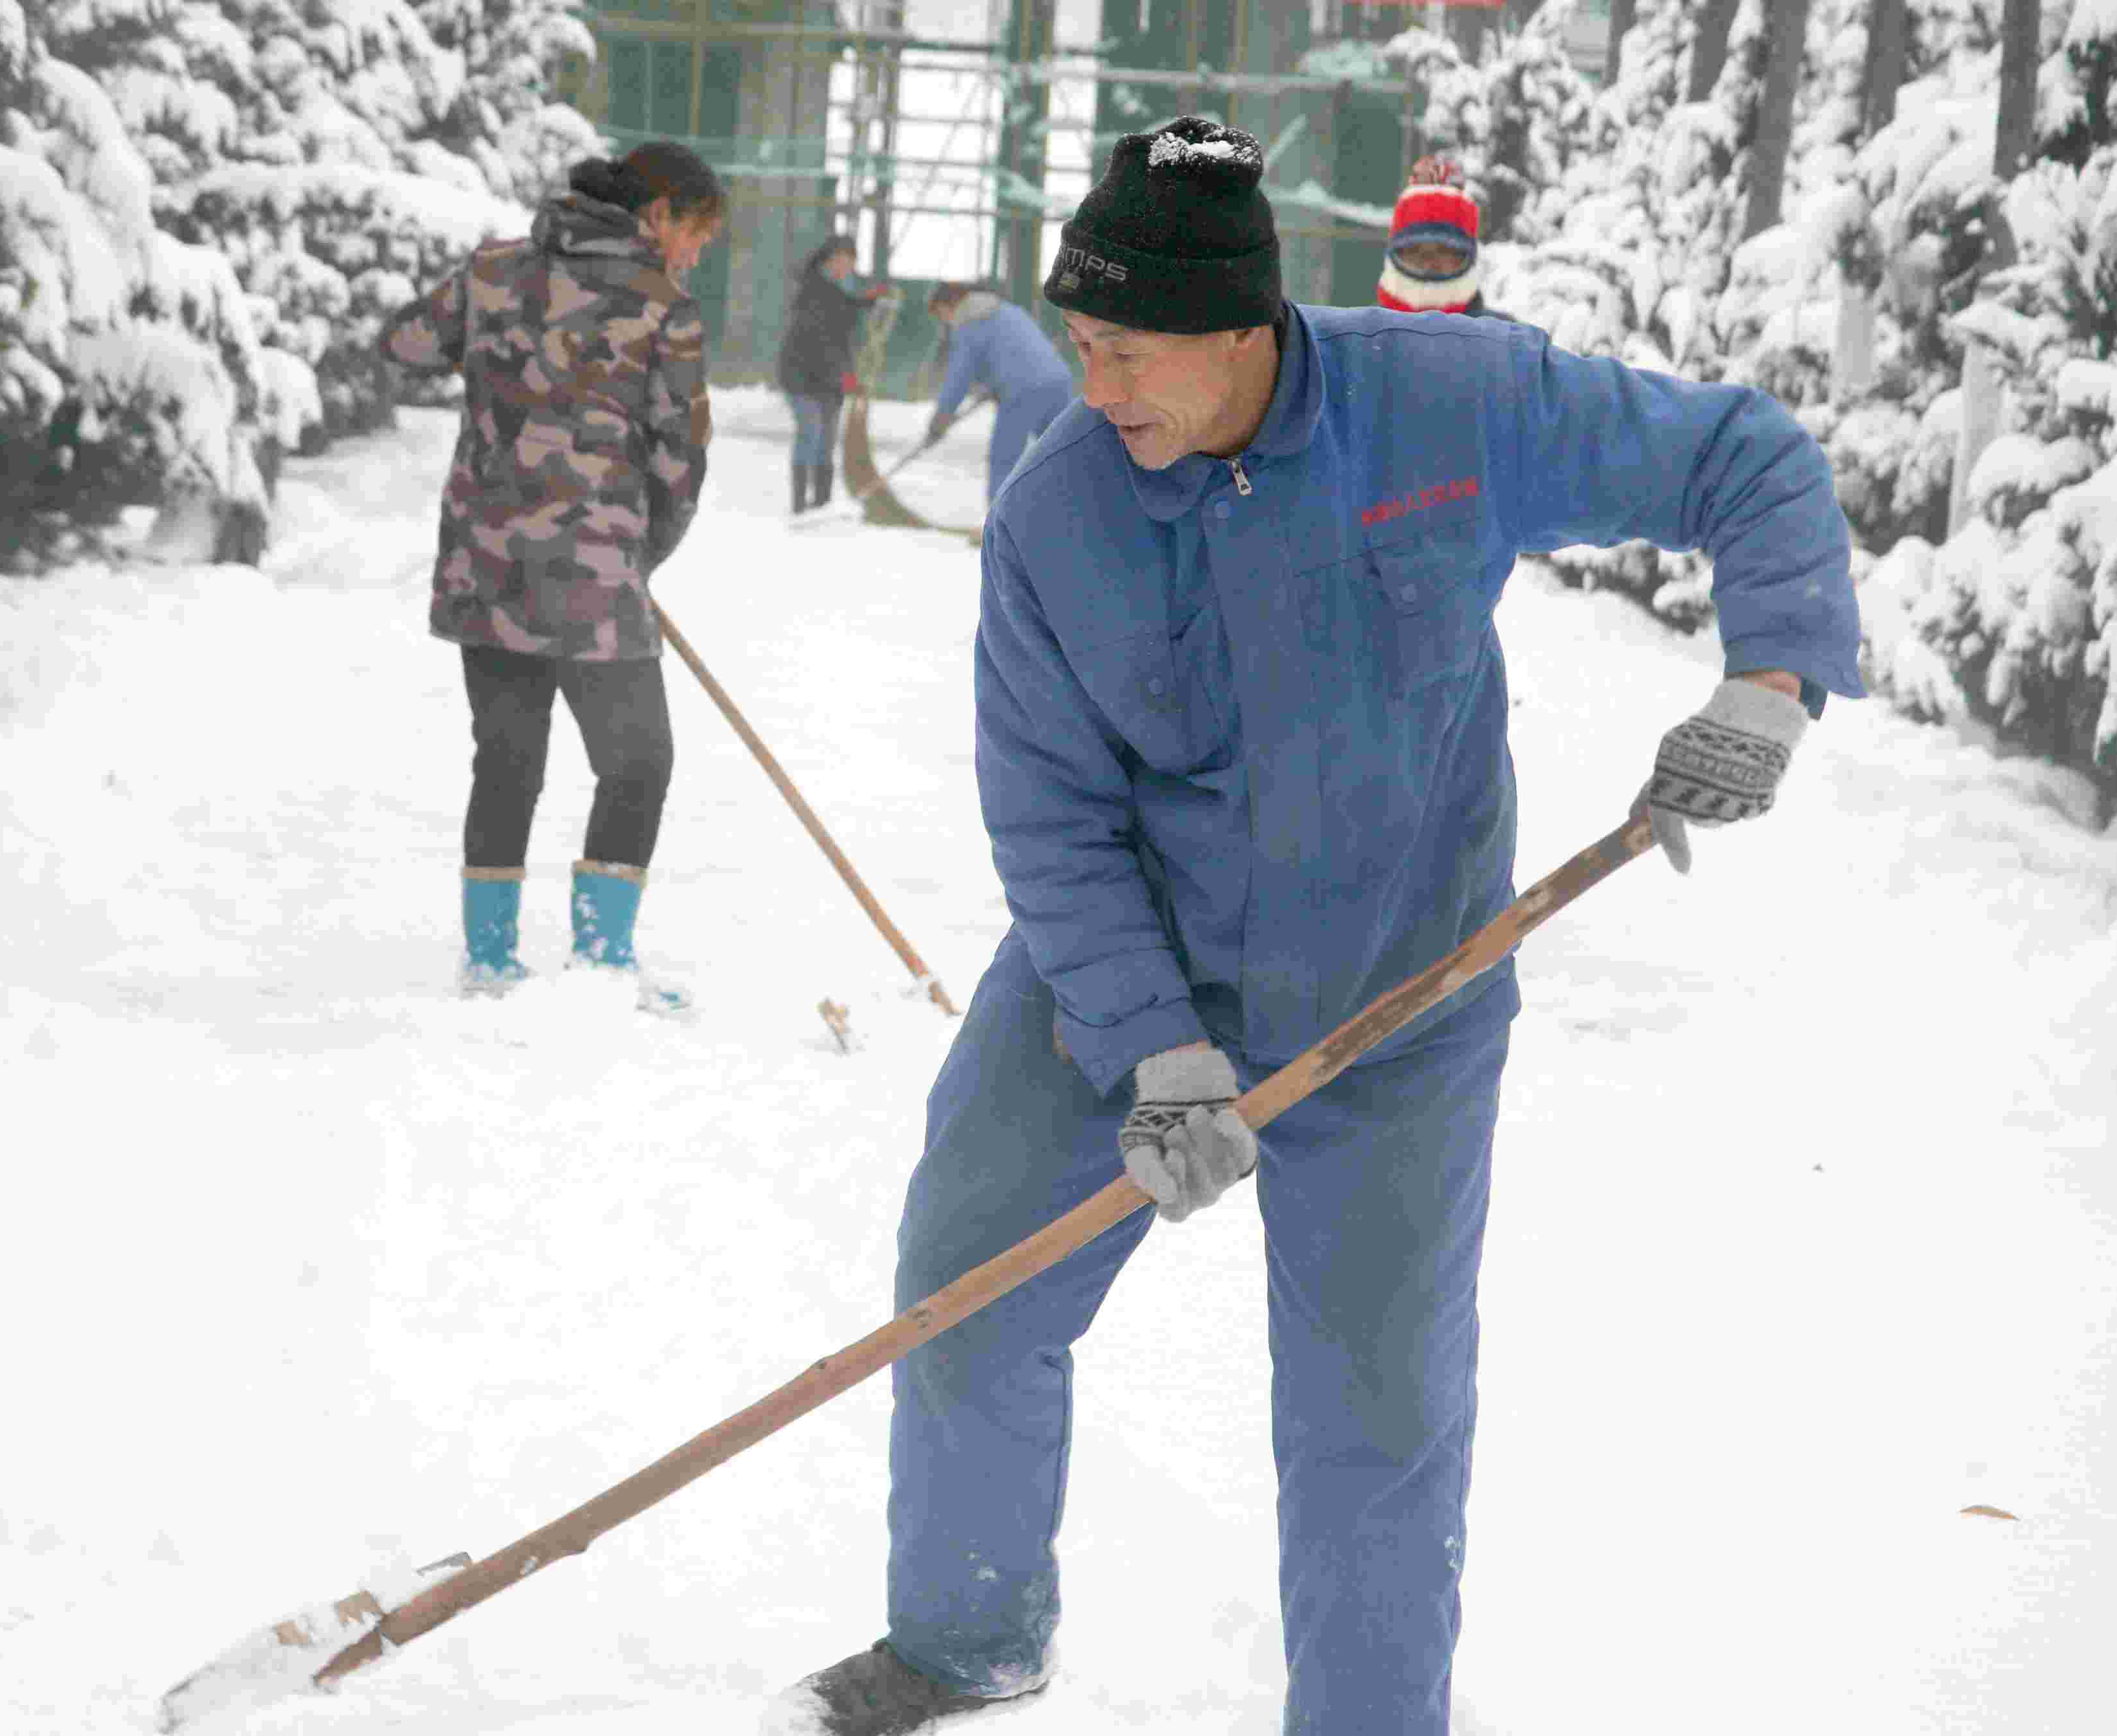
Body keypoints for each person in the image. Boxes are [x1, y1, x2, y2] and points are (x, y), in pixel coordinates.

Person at [769, 116, 1863, 1735]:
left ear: (1246, 330)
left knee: (1373, 1413)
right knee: (964, 1282)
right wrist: (1151, 1051)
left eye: (1131, 352)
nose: (1100, 387)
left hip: (1395, 997)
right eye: (1078, 346)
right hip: (1116, 976)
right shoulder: (1058, 510)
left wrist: (1767, 681)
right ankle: (961, 1636)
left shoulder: (1447, 403)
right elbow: (1051, 821)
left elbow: (1739, 456)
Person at [378, 143, 725, 998]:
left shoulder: (493, 272)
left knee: (507, 756)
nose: (693, 256)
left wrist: (497, 353)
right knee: (638, 761)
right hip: (596, 578)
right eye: (696, 235)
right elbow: (681, 463)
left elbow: (404, 346)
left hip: (484, 563)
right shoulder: (661, 309)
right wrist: (639, 556)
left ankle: (490, 959)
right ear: (659, 214)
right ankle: (604, 956)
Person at [922, 282, 1075, 506]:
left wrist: (941, 418)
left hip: (1024, 389)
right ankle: (1070, 516)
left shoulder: (969, 322)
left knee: (1004, 458)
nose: (944, 320)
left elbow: (959, 377)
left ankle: (998, 529)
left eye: (940, 313)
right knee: (1061, 454)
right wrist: (992, 387)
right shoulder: (1007, 310)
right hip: (1059, 381)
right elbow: (1014, 351)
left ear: (950, 304)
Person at [776, 234, 896, 515]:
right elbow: (825, 335)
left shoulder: (836, 289)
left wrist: (868, 301)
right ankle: (799, 504)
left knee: (827, 438)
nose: (846, 267)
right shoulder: (814, 288)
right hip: (801, 374)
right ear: (828, 261)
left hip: (829, 377)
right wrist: (846, 375)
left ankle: (821, 502)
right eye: (841, 260)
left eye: (851, 262)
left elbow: (843, 310)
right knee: (811, 430)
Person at [1378, 155, 1502, 319]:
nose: (1429, 264)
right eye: (1414, 251)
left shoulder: (1508, 341)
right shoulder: (1356, 339)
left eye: (1445, 252)